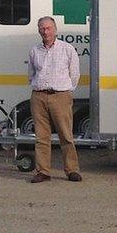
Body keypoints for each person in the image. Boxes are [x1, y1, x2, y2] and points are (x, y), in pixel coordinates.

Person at [27, 16, 82, 183]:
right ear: (38, 31)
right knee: (41, 137)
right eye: (42, 28)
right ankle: (43, 171)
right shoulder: (34, 51)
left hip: (61, 96)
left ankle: (72, 170)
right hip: (39, 96)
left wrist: (66, 92)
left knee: (65, 135)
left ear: (55, 30)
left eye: (48, 28)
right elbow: (31, 75)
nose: (45, 31)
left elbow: (75, 74)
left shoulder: (67, 49)